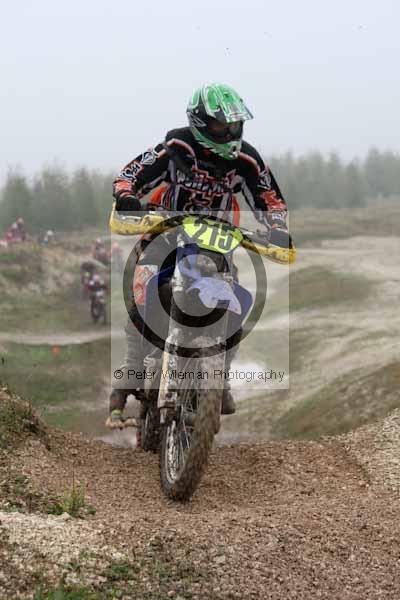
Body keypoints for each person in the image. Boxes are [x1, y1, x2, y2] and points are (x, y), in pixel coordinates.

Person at [108, 82, 292, 428]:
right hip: (165, 234)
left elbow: (270, 197)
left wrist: (278, 227)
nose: (230, 132)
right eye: (222, 125)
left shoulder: (246, 159)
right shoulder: (176, 147)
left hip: (214, 243)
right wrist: (128, 196)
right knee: (143, 293)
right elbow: (130, 173)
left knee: (236, 300)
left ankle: (219, 377)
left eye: (235, 125)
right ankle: (129, 374)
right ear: (201, 122)